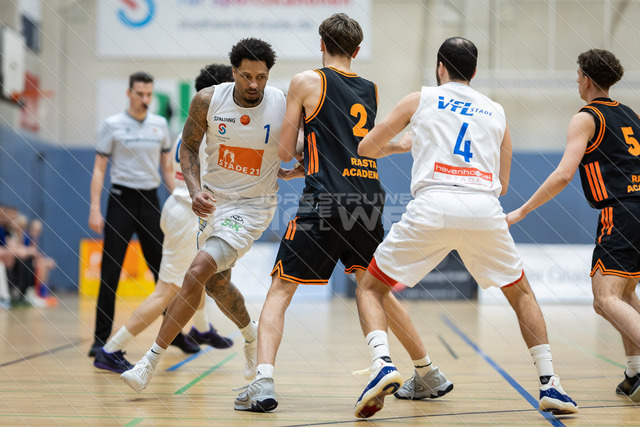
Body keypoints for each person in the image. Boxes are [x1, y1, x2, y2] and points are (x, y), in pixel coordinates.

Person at [234, 13, 453, 414]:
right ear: (356, 49)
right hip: (367, 197)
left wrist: (299, 159)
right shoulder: (370, 89)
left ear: (322, 44)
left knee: (281, 290)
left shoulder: (306, 81)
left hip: (325, 199)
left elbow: (284, 151)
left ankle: (262, 383)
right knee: (375, 289)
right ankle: (428, 371)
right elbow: (357, 147)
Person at [352, 37, 579, 418]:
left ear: (440, 67)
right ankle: (550, 383)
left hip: (433, 205)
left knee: (371, 288)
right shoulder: (496, 112)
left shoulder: (419, 99)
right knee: (521, 293)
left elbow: (366, 148)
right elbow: (503, 185)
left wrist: (401, 145)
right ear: (474, 71)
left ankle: (383, 364)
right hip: (483, 209)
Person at [121, 38, 292, 392]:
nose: (254, 84)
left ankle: (148, 362)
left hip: (253, 207)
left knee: (197, 271)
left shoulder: (283, 102)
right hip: (214, 203)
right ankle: (250, 334)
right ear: (233, 72)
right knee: (216, 284)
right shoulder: (207, 100)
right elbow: (188, 147)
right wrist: (196, 189)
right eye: (246, 76)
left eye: (261, 77)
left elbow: (308, 144)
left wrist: (301, 164)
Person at [507, 49, 640, 403]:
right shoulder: (632, 115)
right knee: (624, 294)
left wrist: (523, 210)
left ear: (587, 79)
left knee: (604, 298)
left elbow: (564, 174)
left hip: (621, 210)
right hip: (637, 207)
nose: (576, 81)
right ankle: (635, 372)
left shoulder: (586, 118)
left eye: (578, 75)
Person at [93, 64, 235, 373]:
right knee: (166, 289)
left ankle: (201, 328)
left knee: (198, 275)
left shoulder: (184, 126)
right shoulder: (213, 128)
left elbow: (173, 170)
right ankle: (109, 348)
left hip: (169, 203)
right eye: (231, 86)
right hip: (172, 209)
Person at [88, 72, 199, 357]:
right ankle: (100, 340)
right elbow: (99, 169)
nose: (145, 99)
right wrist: (95, 208)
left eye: (149, 94)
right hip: (121, 200)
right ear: (129, 93)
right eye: (140, 94)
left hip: (150, 202)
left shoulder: (160, 125)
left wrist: (181, 199)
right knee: (110, 272)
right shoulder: (112, 125)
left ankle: (174, 334)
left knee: (165, 272)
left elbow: (167, 169)